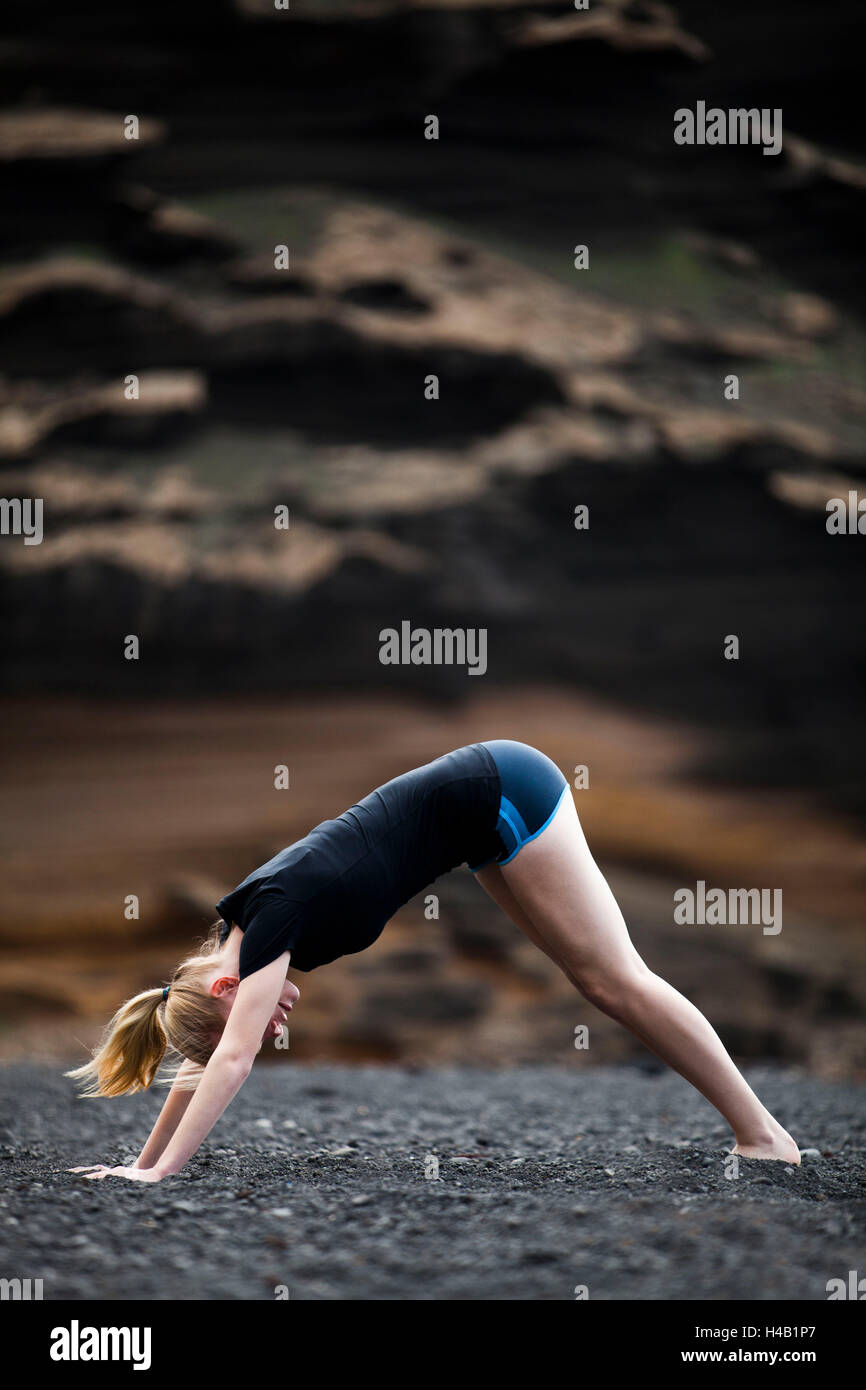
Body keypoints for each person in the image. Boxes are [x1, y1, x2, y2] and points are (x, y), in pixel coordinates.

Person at [68, 739, 800, 1182]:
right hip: (475, 821)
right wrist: (141, 1162)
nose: (269, 1028)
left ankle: (765, 1136)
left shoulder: (269, 925)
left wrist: (161, 1175)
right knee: (598, 982)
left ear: (227, 989)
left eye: (252, 1024)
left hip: (503, 787)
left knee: (613, 980)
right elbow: (210, 1054)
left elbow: (228, 1061)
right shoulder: (241, 936)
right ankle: (761, 1132)